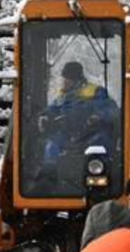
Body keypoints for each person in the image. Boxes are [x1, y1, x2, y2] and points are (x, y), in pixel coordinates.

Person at [36, 61, 119, 193]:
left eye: (67, 80)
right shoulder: (63, 96)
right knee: (51, 145)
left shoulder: (95, 92)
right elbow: (52, 109)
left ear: (75, 79)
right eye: (64, 79)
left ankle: (98, 177)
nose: (64, 82)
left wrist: (98, 116)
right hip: (68, 136)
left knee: (101, 142)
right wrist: (45, 116)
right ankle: (48, 178)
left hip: (90, 134)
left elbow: (110, 109)